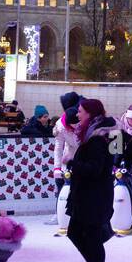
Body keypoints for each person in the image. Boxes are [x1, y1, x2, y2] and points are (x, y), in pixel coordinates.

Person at [64, 98, 117, 262]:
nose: (77, 115)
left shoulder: (97, 138)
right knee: (75, 233)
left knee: (92, 239)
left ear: (91, 114)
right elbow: (114, 158)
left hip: (93, 196)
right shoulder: (103, 132)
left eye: (80, 111)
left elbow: (95, 170)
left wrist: (71, 162)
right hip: (89, 194)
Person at [52, 91, 81, 235]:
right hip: (68, 157)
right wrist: (57, 167)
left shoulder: (85, 121)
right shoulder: (60, 126)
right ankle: (60, 213)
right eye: (72, 125)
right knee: (62, 186)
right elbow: (58, 147)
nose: (75, 127)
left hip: (84, 156)